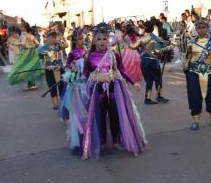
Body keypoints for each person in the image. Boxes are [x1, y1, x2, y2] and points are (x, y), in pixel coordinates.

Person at [82, 24, 144, 160]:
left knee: (115, 114)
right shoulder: (90, 56)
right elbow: (85, 74)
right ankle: (102, 141)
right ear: (94, 41)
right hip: (96, 91)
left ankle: (116, 140)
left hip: (114, 89)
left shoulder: (114, 54)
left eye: (105, 39)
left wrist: (134, 82)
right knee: (100, 116)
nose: (102, 42)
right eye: (99, 39)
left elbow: (122, 70)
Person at [184, 19, 211, 130]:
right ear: (196, 29)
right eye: (199, 27)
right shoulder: (191, 43)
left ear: (207, 28)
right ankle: (195, 119)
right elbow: (188, 58)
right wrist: (185, 66)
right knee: (194, 96)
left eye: (203, 27)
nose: (201, 29)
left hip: (209, 72)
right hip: (194, 73)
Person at [60, 27, 88, 154]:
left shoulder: (87, 50)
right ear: (75, 40)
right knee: (78, 112)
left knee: (88, 110)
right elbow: (67, 67)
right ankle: (79, 137)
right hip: (77, 85)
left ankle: (89, 134)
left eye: (83, 38)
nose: (83, 41)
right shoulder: (72, 53)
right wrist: (72, 69)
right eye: (80, 39)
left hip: (86, 83)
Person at [129, 24, 171, 104]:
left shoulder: (142, 39)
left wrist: (128, 41)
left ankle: (147, 98)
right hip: (153, 61)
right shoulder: (155, 38)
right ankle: (159, 96)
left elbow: (133, 47)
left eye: (140, 29)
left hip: (144, 62)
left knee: (149, 80)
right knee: (158, 79)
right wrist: (168, 48)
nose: (139, 30)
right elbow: (159, 50)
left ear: (144, 29)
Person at [7, 21, 43, 90]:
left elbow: (23, 44)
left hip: (26, 53)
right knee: (32, 67)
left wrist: (15, 43)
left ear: (24, 27)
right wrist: (32, 47)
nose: (20, 28)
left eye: (21, 26)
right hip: (34, 53)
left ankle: (30, 84)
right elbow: (38, 44)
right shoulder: (30, 35)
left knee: (26, 67)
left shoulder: (23, 34)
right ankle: (32, 84)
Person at [38, 29, 67, 110]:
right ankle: (55, 104)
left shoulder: (58, 45)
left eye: (55, 37)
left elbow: (66, 45)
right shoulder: (42, 48)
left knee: (62, 86)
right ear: (48, 38)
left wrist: (61, 38)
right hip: (49, 70)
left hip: (59, 68)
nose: (54, 39)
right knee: (52, 87)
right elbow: (40, 60)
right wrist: (44, 66)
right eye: (52, 37)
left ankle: (64, 101)